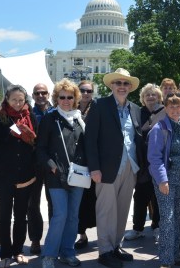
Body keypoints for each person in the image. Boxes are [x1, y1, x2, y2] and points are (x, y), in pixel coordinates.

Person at [85, 68, 144, 268]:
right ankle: (105, 250)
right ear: (111, 85)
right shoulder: (99, 106)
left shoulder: (135, 109)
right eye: (118, 83)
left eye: (125, 83)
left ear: (130, 87)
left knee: (122, 210)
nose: (122, 86)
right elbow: (90, 140)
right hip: (106, 168)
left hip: (130, 166)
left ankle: (116, 246)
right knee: (106, 211)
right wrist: (94, 168)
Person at [0, 85, 38, 267]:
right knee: (4, 215)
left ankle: (18, 250)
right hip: (2, 176)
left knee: (21, 215)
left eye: (21, 100)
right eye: (14, 99)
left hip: (25, 176)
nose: (17, 103)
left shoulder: (30, 117)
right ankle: (5, 253)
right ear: (7, 99)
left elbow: (37, 145)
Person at [37, 79, 87, 268]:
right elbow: (40, 149)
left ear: (75, 98)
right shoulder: (50, 118)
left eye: (70, 97)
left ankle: (67, 252)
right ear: (56, 98)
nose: (66, 100)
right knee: (60, 215)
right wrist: (52, 166)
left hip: (79, 175)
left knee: (73, 216)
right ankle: (49, 255)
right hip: (56, 176)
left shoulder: (79, 119)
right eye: (62, 97)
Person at [147, 92, 180, 268]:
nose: (175, 109)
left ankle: (175, 253)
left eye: (178, 105)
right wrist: (162, 180)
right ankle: (166, 259)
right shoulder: (159, 129)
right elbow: (155, 158)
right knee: (167, 218)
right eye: (171, 106)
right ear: (165, 108)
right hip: (165, 181)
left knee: (179, 218)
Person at [124, 83, 164, 242]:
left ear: (159, 97)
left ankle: (157, 227)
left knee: (159, 197)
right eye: (147, 95)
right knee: (140, 197)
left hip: (160, 163)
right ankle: (137, 228)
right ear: (143, 98)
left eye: (153, 94)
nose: (150, 97)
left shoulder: (165, 112)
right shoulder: (137, 113)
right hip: (142, 163)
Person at [27, 83, 52, 255]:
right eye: (37, 93)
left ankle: (53, 238)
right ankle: (35, 240)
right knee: (32, 204)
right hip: (33, 165)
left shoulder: (56, 112)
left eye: (44, 92)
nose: (41, 95)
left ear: (48, 94)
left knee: (55, 203)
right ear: (33, 95)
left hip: (52, 165)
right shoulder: (27, 113)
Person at [75, 80, 96, 249]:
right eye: (82, 90)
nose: (86, 93)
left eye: (89, 91)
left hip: (93, 160)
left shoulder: (97, 108)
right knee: (79, 200)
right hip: (76, 159)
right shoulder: (71, 106)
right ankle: (81, 235)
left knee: (93, 199)